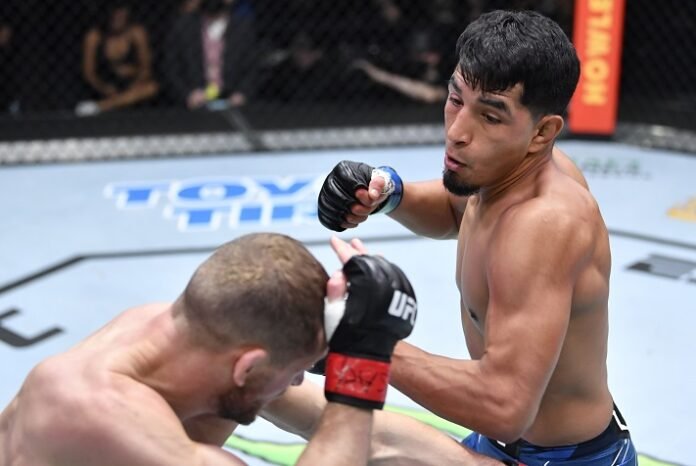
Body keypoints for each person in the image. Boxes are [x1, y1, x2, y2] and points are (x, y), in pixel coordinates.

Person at [265, 10, 638, 465]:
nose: (457, 132)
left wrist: (368, 343)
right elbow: (454, 208)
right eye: (456, 99)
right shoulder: (507, 171)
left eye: (490, 117)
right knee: (264, 383)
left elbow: (504, 406)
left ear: (542, 132)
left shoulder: (544, 223)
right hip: (501, 442)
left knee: (347, 432)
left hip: (563, 458)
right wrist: (389, 193)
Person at [0, 232, 431, 465]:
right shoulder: (104, 418)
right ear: (248, 367)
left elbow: (351, 426)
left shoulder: (187, 339)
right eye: (297, 370)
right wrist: (361, 364)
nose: (299, 380)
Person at [163, 0, 258, 110]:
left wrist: (242, 93)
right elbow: (170, 68)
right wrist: (187, 94)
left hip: (232, 99)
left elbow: (253, 67)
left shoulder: (243, 28)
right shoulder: (183, 27)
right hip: (195, 101)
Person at [76, 1, 159, 116]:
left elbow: (146, 69)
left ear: (128, 13)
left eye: (121, 11)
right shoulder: (94, 36)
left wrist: (135, 80)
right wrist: (104, 87)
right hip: (105, 84)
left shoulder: (137, 33)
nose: (116, 15)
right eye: (113, 11)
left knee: (152, 88)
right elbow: (88, 73)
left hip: (131, 86)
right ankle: (118, 102)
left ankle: (102, 106)